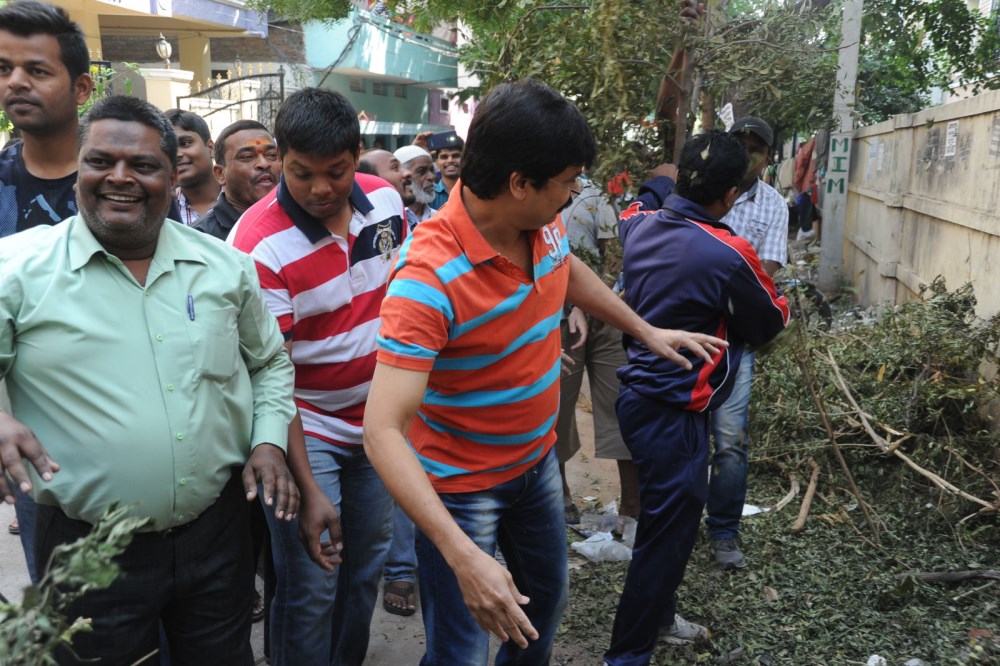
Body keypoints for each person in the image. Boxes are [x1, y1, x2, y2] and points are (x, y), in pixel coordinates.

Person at [363, 78, 726, 666]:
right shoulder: (426, 279)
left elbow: (567, 266)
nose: (575, 190)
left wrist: (646, 330)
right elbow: (381, 431)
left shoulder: (539, 220)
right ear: (518, 183)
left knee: (542, 611)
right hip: (461, 489)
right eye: (567, 180)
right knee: (461, 650)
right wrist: (462, 555)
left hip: (535, 464)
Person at [0, 94, 304, 665]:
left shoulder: (225, 266)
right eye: (100, 161)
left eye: (142, 165)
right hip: (86, 549)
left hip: (217, 534)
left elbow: (269, 363)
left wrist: (267, 441)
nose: (120, 178)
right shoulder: (14, 270)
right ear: (80, 168)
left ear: (173, 176)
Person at [228, 87, 403, 666]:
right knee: (310, 584)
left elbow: (397, 299)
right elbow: (271, 375)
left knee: (364, 571)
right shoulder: (257, 245)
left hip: (379, 424)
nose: (320, 188)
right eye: (302, 173)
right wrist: (304, 487)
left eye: (337, 171)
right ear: (280, 158)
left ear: (358, 154)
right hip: (309, 429)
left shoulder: (386, 203)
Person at [605, 130, 789, 664]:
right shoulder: (728, 251)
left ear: (683, 176)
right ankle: (627, 656)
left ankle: (660, 618)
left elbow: (645, 195)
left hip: (639, 397)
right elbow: (769, 319)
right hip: (675, 411)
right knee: (666, 540)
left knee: (664, 526)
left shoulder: (636, 225)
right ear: (731, 194)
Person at [0, 0, 94, 582]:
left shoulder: (132, 176)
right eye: (4, 67)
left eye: (37, 69)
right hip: (42, 461)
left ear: (81, 86)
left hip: (154, 441)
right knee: (66, 618)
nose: (15, 82)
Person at [707, 116, 789, 570]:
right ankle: (670, 520)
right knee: (687, 436)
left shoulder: (774, 206)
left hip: (733, 340)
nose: (747, 152)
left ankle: (723, 531)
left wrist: (720, 297)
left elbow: (767, 274)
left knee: (731, 439)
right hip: (686, 331)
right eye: (741, 143)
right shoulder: (702, 187)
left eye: (756, 147)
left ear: (768, 158)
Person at [356, 147, 420, 617]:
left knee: (401, 474)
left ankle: (401, 568)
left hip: (402, 371)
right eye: (393, 166)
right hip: (335, 404)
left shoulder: (405, 219)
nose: (405, 173)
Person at [555, 172, 640, 522]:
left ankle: (632, 508)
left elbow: (615, 254)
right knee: (556, 407)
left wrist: (594, 302)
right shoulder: (529, 192)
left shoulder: (596, 197)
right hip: (556, 318)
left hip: (604, 315)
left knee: (622, 405)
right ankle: (558, 497)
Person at [195, 119, 279, 241]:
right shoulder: (202, 238)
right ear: (220, 174)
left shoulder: (299, 218)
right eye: (247, 157)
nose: (264, 163)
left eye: (271, 155)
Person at [165, 108, 221, 227]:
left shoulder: (241, 199)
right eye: (169, 148)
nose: (177, 154)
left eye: (185, 143)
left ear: (211, 148)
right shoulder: (163, 212)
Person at [358, 148, 418, 230]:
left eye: (402, 167)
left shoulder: (410, 218)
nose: (408, 173)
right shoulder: (360, 228)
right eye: (395, 168)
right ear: (371, 180)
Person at [394, 144, 437, 225]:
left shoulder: (439, 218)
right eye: (421, 171)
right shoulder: (392, 220)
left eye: (432, 170)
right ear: (404, 175)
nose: (431, 177)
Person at [430, 131, 462, 209]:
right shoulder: (430, 194)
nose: (450, 160)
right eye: (444, 157)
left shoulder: (472, 192)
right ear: (437, 162)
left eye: (456, 156)